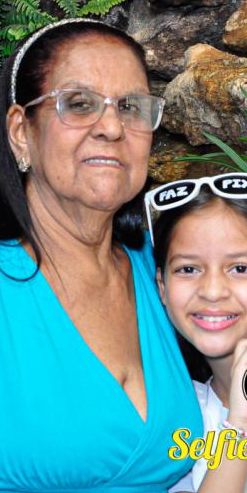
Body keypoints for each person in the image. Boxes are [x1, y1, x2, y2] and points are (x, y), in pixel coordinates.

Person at [0, 18, 204, 492]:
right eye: (79, 104)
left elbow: (228, 420)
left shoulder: (161, 270)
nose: (112, 127)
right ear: (21, 131)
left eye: (131, 107)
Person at [147, 174, 247, 492]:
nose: (213, 291)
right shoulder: (176, 415)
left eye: (240, 268)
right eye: (188, 269)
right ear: (162, 287)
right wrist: (239, 425)